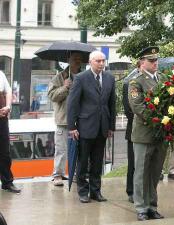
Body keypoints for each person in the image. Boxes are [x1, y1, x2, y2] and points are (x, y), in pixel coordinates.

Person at [67, 51, 116, 203]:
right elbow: (72, 103)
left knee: (97, 161)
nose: (101, 63)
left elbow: (112, 103)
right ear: (90, 62)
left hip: (102, 126)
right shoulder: (81, 78)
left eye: (103, 61)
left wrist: (111, 127)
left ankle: (96, 191)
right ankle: (83, 191)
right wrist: (72, 126)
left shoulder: (109, 78)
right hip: (85, 126)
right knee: (82, 161)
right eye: (98, 61)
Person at [128, 46, 167, 221]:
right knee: (141, 173)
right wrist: (158, 120)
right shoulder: (136, 82)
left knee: (155, 172)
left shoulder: (164, 79)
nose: (155, 63)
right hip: (144, 133)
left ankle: (152, 206)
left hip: (161, 134)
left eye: (156, 60)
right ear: (142, 63)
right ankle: (141, 207)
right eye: (151, 61)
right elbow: (137, 106)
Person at [48, 52, 82, 186]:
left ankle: (76, 173)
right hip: (63, 120)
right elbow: (52, 96)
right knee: (61, 149)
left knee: (80, 150)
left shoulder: (83, 76)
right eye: (75, 59)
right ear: (69, 60)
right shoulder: (59, 78)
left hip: (80, 119)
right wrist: (65, 87)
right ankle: (58, 174)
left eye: (79, 59)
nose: (77, 61)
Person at [122, 61, 140, 203]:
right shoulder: (129, 82)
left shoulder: (153, 80)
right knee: (133, 162)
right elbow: (129, 110)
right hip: (134, 128)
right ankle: (131, 191)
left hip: (149, 130)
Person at [0, 70, 21, 193]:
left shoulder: (1, 74)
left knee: (5, 152)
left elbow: (8, 91)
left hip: (2, 118)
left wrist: (8, 106)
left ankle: (7, 182)